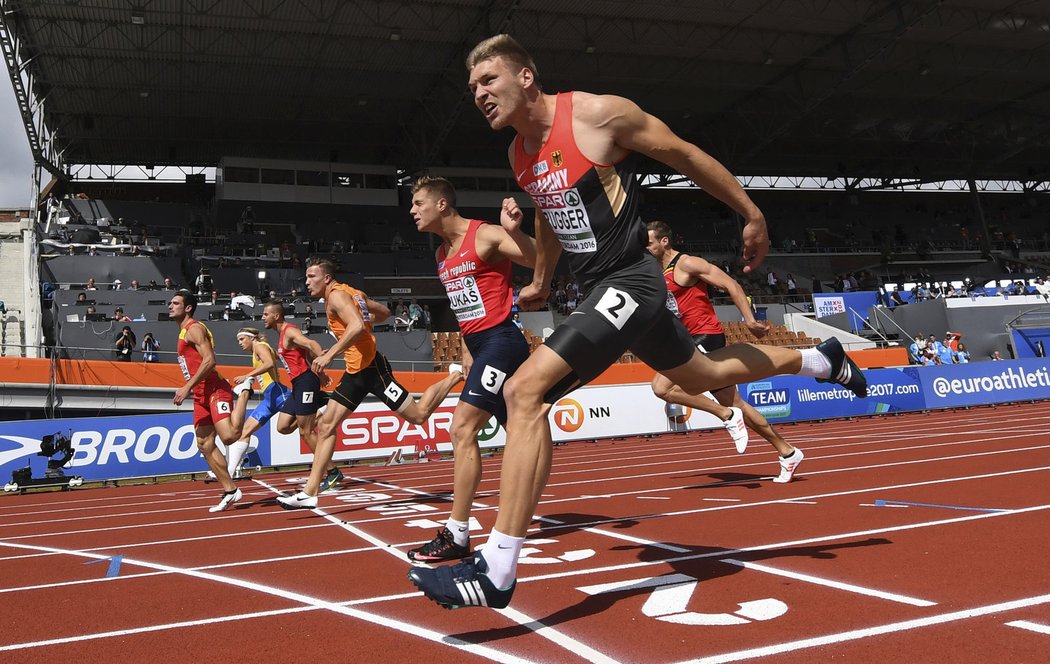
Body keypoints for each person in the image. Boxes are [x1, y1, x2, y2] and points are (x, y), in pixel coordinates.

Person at [407, 34, 867, 610]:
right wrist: (544, 280)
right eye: (472, 87)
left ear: (526, 77)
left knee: (526, 391)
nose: (479, 94)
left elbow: (686, 154)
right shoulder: (519, 154)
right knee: (700, 373)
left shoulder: (598, 115)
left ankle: (498, 568)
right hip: (599, 289)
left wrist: (751, 214)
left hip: (631, 278)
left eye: (488, 81)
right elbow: (551, 215)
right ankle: (820, 359)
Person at [405, 176, 535, 563]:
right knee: (524, 427)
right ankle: (520, 512)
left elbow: (534, 260)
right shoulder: (441, 254)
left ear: (442, 204)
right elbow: (467, 307)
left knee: (462, 428)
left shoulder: (486, 235)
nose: (411, 211)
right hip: (480, 345)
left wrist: (518, 232)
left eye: (417, 203)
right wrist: (466, 349)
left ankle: (458, 532)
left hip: (501, 341)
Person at [277, 259, 466, 509]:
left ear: (326, 278)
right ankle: (310, 492)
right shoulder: (354, 294)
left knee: (418, 416)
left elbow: (355, 326)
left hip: (373, 370)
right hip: (355, 372)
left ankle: (454, 376)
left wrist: (330, 354)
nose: (307, 281)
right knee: (325, 426)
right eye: (306, 277)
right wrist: (364, 324)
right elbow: (385, 314)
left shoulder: (337, 297)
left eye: (311, 276)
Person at [646, 221, 804, 480]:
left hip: (706, 336)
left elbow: (732, 284)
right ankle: (787, 452)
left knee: (661, 387)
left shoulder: (687, 264)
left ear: (664, 241)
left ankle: (725, 415)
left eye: (650, 241)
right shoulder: (657, 272)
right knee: (737, 403)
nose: (647, 246)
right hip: (688, 339)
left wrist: (749, 320)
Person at [169, 290, 242, 512]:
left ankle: (245, 392)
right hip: (201, 395)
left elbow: (210, 360)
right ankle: (231, 491)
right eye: (170, 303)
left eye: (175, 303)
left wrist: (187, 386)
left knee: (228, 437)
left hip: (215, 390)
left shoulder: (194, 329)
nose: (170, 306)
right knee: (204, 444)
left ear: (188, 307)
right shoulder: (183, 332)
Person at [224, 325, 294, 480]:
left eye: (242, 339)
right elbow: (275, 358)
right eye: (238, 340)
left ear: (252, 338)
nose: (240, 343)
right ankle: (229, 471)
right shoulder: (260, 349)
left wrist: (247, 375)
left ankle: (319, 412)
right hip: (269, 399)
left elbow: (269, 363)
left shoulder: (260, 346)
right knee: (244, 431)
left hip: (279, 393)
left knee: (304, 427)